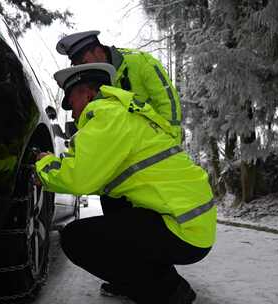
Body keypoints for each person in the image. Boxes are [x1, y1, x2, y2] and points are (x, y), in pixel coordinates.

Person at [34, 63, 216, 304]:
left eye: (71, 101)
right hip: (192, 223)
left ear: (87, 94)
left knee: (76, 239)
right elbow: (97, 179)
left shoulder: (106, 116)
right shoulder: (124, 114)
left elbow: (78, 179)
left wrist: (44, 165)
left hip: (183, 230)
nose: (72, 112)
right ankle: (142, 279)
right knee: (112, 200)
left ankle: (170, 293)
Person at [56, 30, 183, 217]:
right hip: (114, 166)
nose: (82, 69)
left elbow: (169, 107)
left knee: (152, 215)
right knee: (115, 217)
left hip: (148, 162)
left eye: (83, 63)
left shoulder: (141, 63)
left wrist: (169, 153)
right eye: (77, 66)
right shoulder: (92, 80)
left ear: (98, 50)